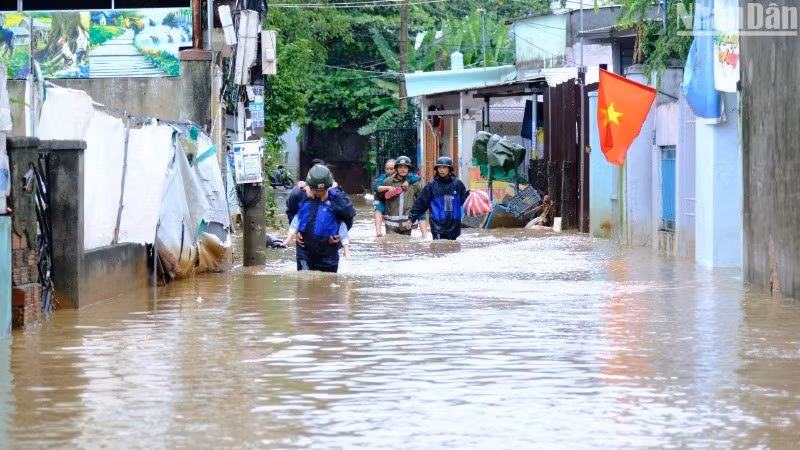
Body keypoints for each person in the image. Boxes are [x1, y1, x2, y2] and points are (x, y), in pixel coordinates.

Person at [286, 165, 356, 273]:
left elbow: (348, 218)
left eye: (323, 190)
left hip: (328, 251)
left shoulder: (338, 198)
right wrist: (297, 231)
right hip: (304, 249)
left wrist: (337, 235)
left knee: (327, 283)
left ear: (329, 186)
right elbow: (291, 212)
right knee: (304, 281)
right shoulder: (299, 194)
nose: (319, 193)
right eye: (316, 190)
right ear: (308, 186)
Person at [408, 156, 469, 241]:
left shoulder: (458, 184)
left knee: (453, 250)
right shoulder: (431, 185)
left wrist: (471, 195)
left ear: (450, 169)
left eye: (444, 167)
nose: (441, 170)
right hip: (437, 226)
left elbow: (464, 201)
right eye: (439, 167)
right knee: (438, 249)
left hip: (454, 225)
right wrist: (412, 218)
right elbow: (421, 203)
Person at [373, 159, 427, 238]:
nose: (402, 169)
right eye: (400, 167)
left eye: (405, 167)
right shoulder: (387, 181)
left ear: (409, 169)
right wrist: (383, 211)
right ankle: (378, 232)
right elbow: (379, 196)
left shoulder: (414, 184)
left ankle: (424, 235)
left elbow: (421, 201)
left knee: (406, 246)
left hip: (407, 223)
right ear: (397, 169)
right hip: (391, 224)